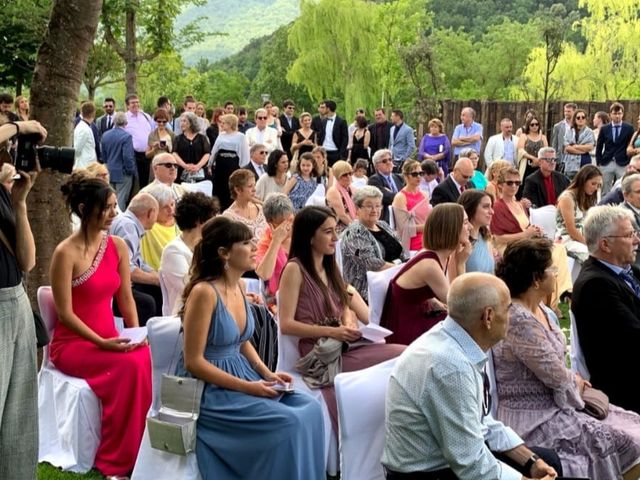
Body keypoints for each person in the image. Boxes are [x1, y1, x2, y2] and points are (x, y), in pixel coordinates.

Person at [175, 216, 325, 480]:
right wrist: (249, 387)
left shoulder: (240, 285)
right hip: (209, 389)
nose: (255, 247)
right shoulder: (204, 292)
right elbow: (193, 362)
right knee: (288, 423)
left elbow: (241, 340)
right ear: (224, 253)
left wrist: (268, 374)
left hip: (243, 373)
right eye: (246, 242)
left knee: (310, 409)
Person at [382, 272, 562, 480]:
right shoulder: (451, 366)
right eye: (508, 309)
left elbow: (483, 423)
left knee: (548, 460)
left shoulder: (456, 341)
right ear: (488, 316)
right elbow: (471, 465)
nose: (511, 316)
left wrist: (531, 462)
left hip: (445, 463)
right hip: (429, 474)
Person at [495, 237, 640, 480]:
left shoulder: (542, 310)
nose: (556, 274)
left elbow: (558, 372)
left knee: (633, 426)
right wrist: (576, 383)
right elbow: (559, 379)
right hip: (535, 415)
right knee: (630, 442)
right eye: (552, 269)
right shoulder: (519, 322)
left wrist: (574, 381)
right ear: (535, 279)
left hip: (559, 401)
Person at [50, 177, 151, 478]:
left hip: (108, 337)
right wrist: (103, 343)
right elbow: (65, 314)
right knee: (129, 367)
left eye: (114, 207)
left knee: (143, 358)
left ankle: (141, 451)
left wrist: (136, 334)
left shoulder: (117, 246)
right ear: (84, 209)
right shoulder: (64, 253)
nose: (113, 214)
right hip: (72, 344)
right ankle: (116, 461)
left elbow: (126, 298)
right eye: (106, 208)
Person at [278, 206, 405, 433]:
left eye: (335, 230)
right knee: (401, 356)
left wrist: (347, 320)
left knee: (404, 353)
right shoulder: (294, 270)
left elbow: (344, 302)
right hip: (319, 353)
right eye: (328, 232)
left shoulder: (330, 266)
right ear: (309, 236)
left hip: (342, 343)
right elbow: (286, 325)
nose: (336, 238)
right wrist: (333, 332)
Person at [0, 119, 45, 480]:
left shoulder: (3, 191)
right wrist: (21, 124)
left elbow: (27, 260)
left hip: (14, 299)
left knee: (19, 416)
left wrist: (20, 203)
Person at [572, 205, 640, 415]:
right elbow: (633, 339)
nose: (637, 240)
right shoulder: (596, 285)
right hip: (625, 387)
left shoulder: (627, 271)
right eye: (629, 235)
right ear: (605, 244)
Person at [381, 203, 472, 345]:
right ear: (451, 228)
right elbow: (461, 307)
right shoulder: (429, 264)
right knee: (467, 327)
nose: (470, 228)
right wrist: (460, 263)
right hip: (406, 330)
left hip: (417, 318)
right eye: (466, 223)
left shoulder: (441, 255)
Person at [491, 167, 573, 309]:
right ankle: (552, 301)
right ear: (500, 185)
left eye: (517, 183)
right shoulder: (498, 207)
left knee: (559, 249)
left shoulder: (519, 205)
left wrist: (535, 231)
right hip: (510, 249)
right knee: (549, 255)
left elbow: (526, 227)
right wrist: (526, 234)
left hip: (525, 244)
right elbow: (498, 238)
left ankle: (556, 297)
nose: (514, 186)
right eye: (510, 183)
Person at [341, 186, 405, 302]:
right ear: (357, 208)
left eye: (378, 205)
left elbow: (402, 252)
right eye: (369, 206)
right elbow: (371, 263)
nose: (374, 210)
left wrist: (407, 266)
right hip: (368, 291)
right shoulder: (354, 233)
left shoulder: (383, 225)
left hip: (394, 280)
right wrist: (403, 270)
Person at [159, 192, 219, 315]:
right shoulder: (173, 251)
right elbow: (191, 288)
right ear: (199, 221)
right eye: (212, 218)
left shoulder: (208, 245)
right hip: (184, 318)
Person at [109, 192, 162, 323]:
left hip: (120, 280)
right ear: (150, 213)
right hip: (113, 285)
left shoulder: (130, 225)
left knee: (158, 289)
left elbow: (139, 262)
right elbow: (128, 268)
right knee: (147, 303)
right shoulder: (128, 226)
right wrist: (156, 279)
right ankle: (139, 337)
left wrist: (156, 275)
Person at [556, 164, 603, 263]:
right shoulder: (567, 198)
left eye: (598, 185)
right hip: (567, 239)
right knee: (593, 257)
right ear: (583, 180)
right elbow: (571, 230)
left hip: (582, 236)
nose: (595, 188)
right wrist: (589, 244)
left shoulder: (587, 196)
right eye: (593, 184)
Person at [255, 193, 294, 298]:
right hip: (279, 298)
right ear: (270, 222)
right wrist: (276, 240)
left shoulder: (301, 234)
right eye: (284, 223)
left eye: (291, 220)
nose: (289, 226)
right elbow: (264, 274)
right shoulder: (265, 243)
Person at [209, 113, 250, 210]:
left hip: (233, 165)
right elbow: (214, 150)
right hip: (220, 166)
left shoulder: (241, 136)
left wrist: (242, 168)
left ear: (230, 124)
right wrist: (210, 164)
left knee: (231, 188)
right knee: (219, 189)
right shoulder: (221, 135)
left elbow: (244, 153)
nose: (221, 125)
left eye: (224, 123)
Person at [392, 160, 431, 252]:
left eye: (421, 173)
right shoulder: (400, 197)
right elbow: (404, 228)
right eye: (414, 174)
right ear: (406, 176)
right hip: (412, 242)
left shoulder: (424, 194)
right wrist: (428, 227)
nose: (418, 177)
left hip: (428, 238)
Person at [101, 112, 137, 210]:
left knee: (109, 199)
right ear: (126, 122)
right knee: (121, 200)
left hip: (109, 171)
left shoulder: (105, 135)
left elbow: (103, 156)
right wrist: (131, 171)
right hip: (123, 173)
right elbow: (127, 157)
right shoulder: (126, 137)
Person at [596, 102, 634, 194]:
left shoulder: (628, 128)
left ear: (622, 114)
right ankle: (605, 208)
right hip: (607, 162)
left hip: (622, 163)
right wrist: (599, 162)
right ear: (610, 114)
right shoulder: (605, 128)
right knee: (605, 190)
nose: (617, 116)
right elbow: (599, 146)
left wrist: (629, 161)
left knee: (623, 188)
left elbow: (631, 145)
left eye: (619, 113)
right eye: (615, 113)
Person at [222, 169, 267, 244]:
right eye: (250, 186)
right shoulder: (228, 217)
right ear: (238, 190)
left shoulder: (260, 208)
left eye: (254, 185)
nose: (254, 189)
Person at [140, 183, 178, 271]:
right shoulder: (146, 227)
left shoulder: (180, 224)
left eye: (172, 204)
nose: (171, 210)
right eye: (165, 207)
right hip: (152, 276)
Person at [459, 189, 496, 274]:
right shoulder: (459, 243)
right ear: (471, 208)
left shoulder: (485, 236)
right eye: (486, 207)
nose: (492, 212)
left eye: (491, 207)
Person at [124, 93, 155, 188]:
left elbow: (153, 132)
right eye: (133, 103)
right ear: (127, 105)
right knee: (134, 182)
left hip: (147, 154)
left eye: (137, 102)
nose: (136, 105)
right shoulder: (124, 118)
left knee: (146, 181)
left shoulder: (146, 116)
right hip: (133, 155)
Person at [173, 111, 211, 184]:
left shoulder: (202, 138)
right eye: (181, 121)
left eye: (184, 121)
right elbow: (174, 153)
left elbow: (207, 153)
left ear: (191, 122)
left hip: (200, 173)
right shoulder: (178, 139)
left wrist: (197, 166)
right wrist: (185, 166)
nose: (182, 123)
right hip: (182, 173)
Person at [368, 148, 404, 224]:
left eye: (390, 159)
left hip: (402, 216)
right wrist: (401, 197)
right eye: (384, 161)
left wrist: (393, 194)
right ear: (376, 166)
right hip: (387, 220)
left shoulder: (398, 178)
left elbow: (407, 196)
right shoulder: (374, 180)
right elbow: (387, 198)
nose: (388, 162)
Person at [563, 108, 595, 179]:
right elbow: (567, 148)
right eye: (578, 117)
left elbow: (590, 147)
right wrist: (583, 149)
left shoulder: (589, 132)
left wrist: (575, 146)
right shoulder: (569, 131)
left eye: (583, 117)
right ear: (575, 119)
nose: (581, 119)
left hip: (584, 162)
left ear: (586, 119)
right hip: (571, 164)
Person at [326, 160, 356, 233]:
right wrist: (356, 229)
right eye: (345, 175)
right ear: (338, 176)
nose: (348, 176)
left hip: (353, 223)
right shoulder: (333, 191)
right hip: (338, 228)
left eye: (350, 173)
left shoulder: (352, 189)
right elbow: (342, 215)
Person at [317, 99, 349, 166]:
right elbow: (320, 136)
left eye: (324, 107)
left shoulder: (341, 121)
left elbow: (345, 139)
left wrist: (341, 154)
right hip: (324, 152)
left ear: (328, 109)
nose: (321, 109)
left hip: (336, 153)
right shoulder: (323, 121)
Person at [517, 116, 548, 183]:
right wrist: (533, 158)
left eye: (536, 124)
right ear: (528, 125)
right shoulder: (523, 136)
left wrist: (538, 160)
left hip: (540, 165)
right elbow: (520, 150)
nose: (534, 126)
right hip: (526, 165)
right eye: (532, 124)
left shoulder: (543, 137)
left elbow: (546, 151)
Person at [551, 102, 577, 173]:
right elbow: (554, 144)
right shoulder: (558, 126)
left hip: (575, 159)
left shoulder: (579, 125)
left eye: (569, 111)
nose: (566, 113)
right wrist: (554, 158)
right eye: (565, 111)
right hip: (561, 159)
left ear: (574, 112)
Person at [73, 101, 97, 169]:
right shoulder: (83, 129)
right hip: (84, 166)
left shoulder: (84, 126)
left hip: (86, 166)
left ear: (82, 112)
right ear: (93, 113)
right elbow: (77, 150)